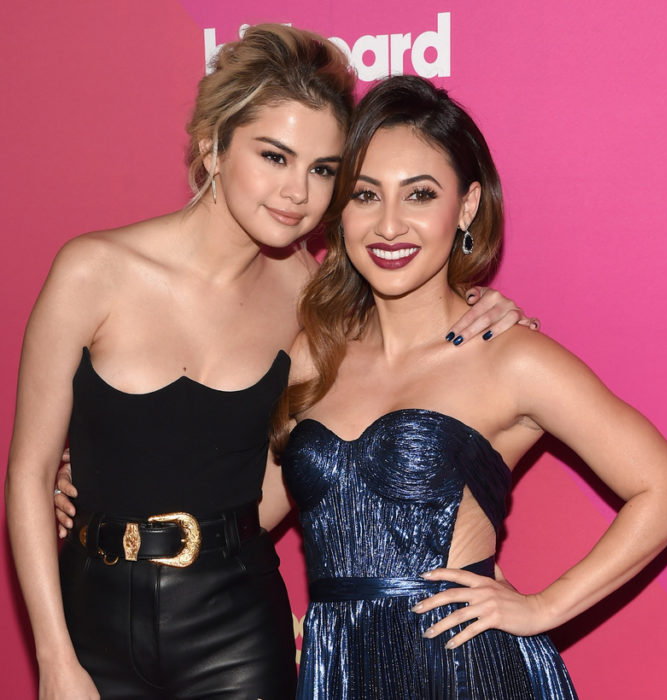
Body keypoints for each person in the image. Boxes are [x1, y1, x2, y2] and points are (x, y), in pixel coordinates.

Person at [6, 25, 533, 700]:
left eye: (322, 170)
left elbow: (415, 349)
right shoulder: (93, 272)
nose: (298, 193)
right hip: (89, 615)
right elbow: (27, 472)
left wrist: (496, 312)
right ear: (212, 146)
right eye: (274, 157)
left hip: (235, 623)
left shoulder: (313, 302)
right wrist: (53, 660)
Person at [267, 75, 667, 698]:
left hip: (466, 672)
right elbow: (243, 513)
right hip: (339, 674)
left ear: (466, 207)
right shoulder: (313, 353)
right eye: (366, 195)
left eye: (419, 195)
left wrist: (543, 607)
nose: (389, 225)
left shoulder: (510, 357)